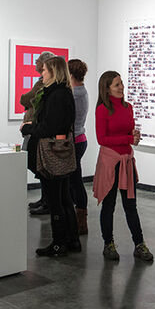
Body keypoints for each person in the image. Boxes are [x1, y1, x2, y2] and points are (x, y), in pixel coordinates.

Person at [21, 56, 79, 257]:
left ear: (53, 72)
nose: (41, 74)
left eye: (44, 70)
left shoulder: (55, 95)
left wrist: (30, 127)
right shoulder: (64, 93)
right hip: (61, 152)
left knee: (56, 201)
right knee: (64, 199)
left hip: (51, 153)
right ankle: (72, 240)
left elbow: (50, 126)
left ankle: (58, 243)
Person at [93, 71, 153, 262]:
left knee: (131, 206)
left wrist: (134, 136)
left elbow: (129, 131)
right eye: (116, 85)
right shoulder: (102, 110)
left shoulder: (128, 107)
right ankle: (108, 244)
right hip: (111, 162)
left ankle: (139, 244)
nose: (121, 87)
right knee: (109, 205)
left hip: (126, 161)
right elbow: (102, 139)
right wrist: (128, 138)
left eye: (121, 83)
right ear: (107, 88)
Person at [22, 51, 56, 216]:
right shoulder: (41, 82)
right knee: (37, 165)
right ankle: (45, 200)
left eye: (38, 61)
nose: (35, 62)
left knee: (40, 167)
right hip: (35, 131)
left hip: (39, 132)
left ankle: (47, 202)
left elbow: (25, 99)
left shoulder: (44, 84)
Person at [68, 59, 89, 235]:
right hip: (80, 138)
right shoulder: (82, 90)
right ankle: (78, 218)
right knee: (74, 180)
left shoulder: (74, 94)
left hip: (74, 141)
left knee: (74, 181)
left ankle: (80, 220)